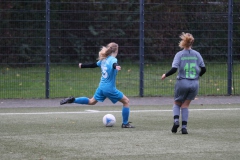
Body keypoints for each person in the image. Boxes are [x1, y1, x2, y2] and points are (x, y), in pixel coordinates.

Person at [60, 42, 134, 128]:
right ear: (116, 51)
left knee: (92, 101)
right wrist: (116, 66)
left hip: (101, 87)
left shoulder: (103, 59)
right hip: (109, 88)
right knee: (126, 101)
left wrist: (82, 66)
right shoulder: (113, 60)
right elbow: (114, 64)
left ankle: (73, 100)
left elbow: (93, 65)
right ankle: (125, 123)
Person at [161, 32, 206, 134]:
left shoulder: (179, 54)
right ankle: (184, 127)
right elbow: (204, 69)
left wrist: (165, 75)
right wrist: (197, 76)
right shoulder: (197, 54)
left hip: (182, 82)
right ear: (192, 43)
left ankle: (176, 121)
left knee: (177, 103)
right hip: (194, 84)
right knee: (185, 105)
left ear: (183, 42)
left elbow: (174, 69)